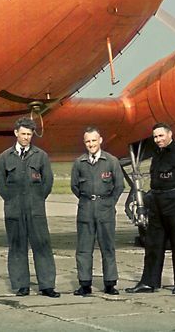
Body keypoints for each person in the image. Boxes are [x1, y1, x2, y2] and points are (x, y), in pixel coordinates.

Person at [126, 122, 175, 295]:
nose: (158, 139)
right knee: (153, 244)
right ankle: (149, 282)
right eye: (155, 137)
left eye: (161, 136)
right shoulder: (156, 154)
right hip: (156, 202)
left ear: (170, 135)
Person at [0, 117, 60, 298]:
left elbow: (47, 181)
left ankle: (47, 285)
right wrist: (10, 200)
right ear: (16, 133)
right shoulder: (4, 157)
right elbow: (2, 183)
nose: (26, 137)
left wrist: (38, 199)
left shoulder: (41, 156)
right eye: (23, 134)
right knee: (17, 247)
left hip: (35, 210)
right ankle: (21, 285)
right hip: (14, 209)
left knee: (42, 246)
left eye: (29, 134)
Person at [70, 127, 125, 296]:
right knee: (84, 248)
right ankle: (85, 283)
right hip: (86, 208)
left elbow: (119, 185)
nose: (91, 144)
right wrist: (88, 200)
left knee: (107, 247)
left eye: (94, 140)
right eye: (87, 141)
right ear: (84, 142)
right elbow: (75, 186)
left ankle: (110, 283)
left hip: (105, 209)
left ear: (100, 140)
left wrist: (109, 203)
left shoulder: (111, 161)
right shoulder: (79, 163)